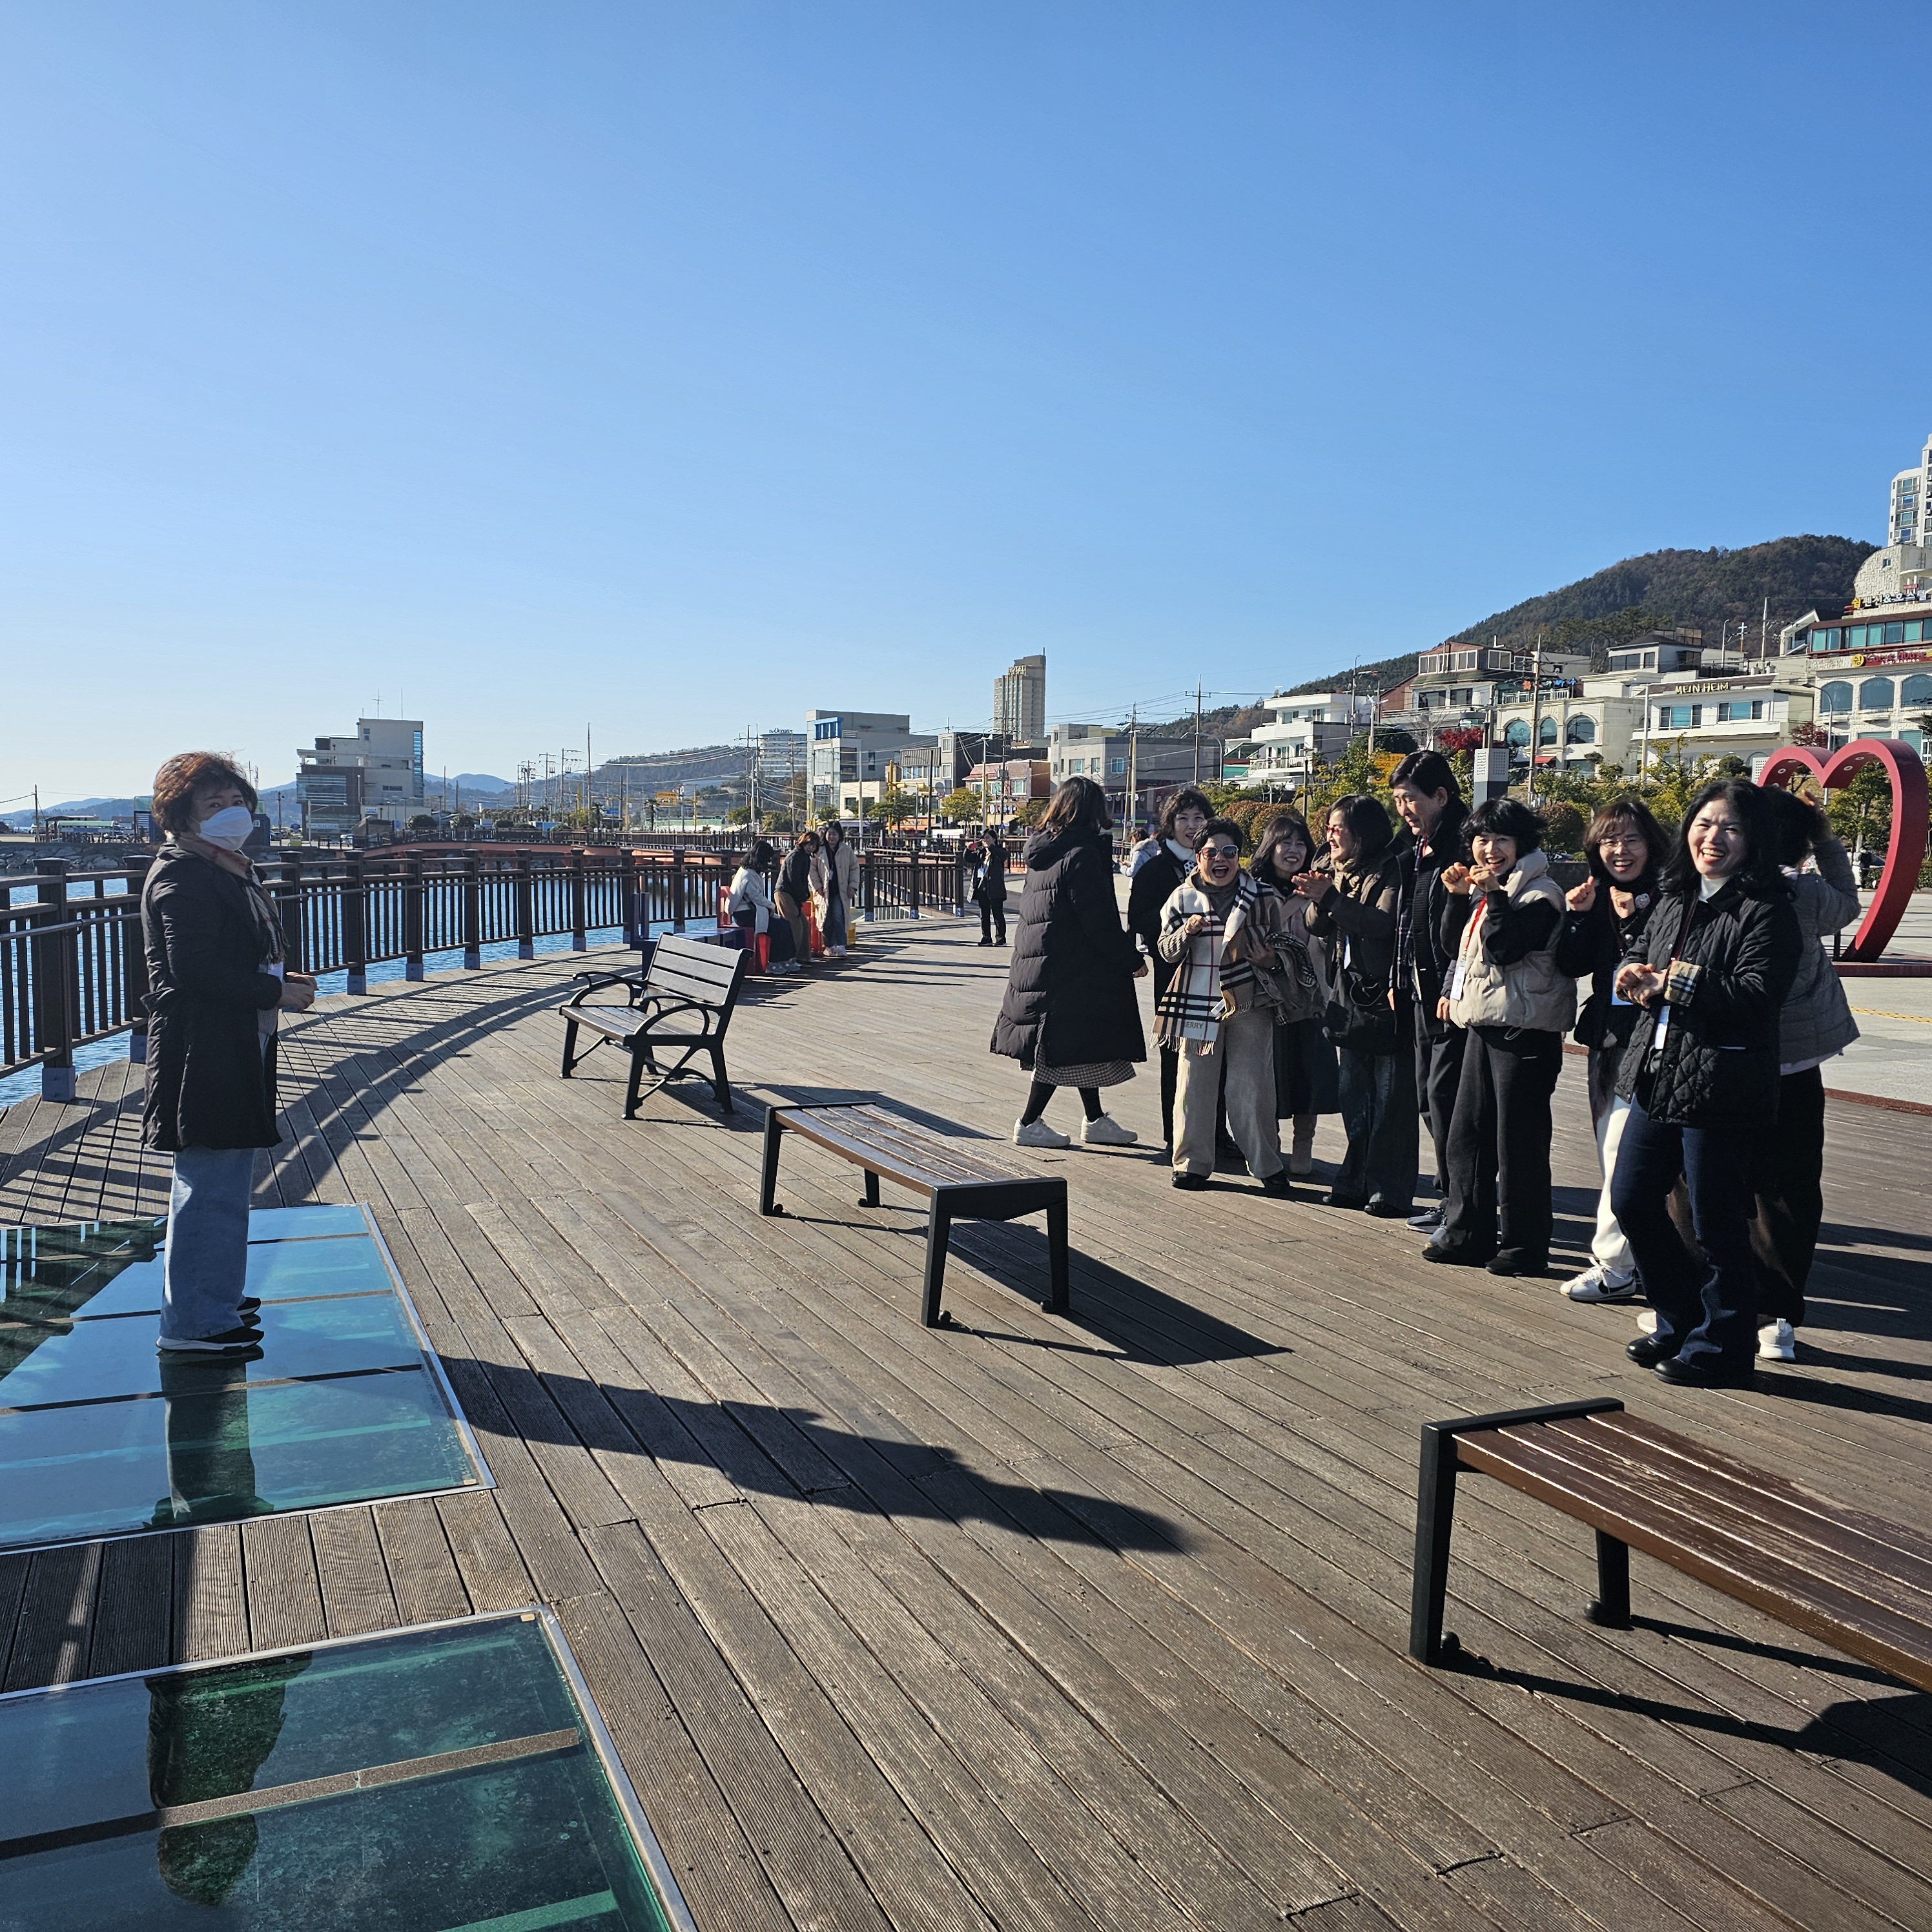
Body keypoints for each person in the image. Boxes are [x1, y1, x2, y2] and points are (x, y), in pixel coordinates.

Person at [1612, 780, 1802, 1389]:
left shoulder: (1768, 910)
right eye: (1704, 823)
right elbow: (1643, 952)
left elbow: (1757, 996)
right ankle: (1680, 1317)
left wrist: (1676, 982)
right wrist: (1630, 973)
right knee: (1631, 1199)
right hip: (1658, 1073)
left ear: (1754, 841)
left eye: (1731, 828)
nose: (1713, 838)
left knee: (1716, 1223)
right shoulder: (1677, 895)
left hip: (1722, 1083)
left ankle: (1723, 1345)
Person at [142, 753, 316, 1357]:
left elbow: (226, 957)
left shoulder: (221, 867)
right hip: (203, 1046)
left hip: (232, 1038)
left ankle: (214, 1294)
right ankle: (195, 1321)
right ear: (181, 818)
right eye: (213, 805)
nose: (230, 814)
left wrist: (278, 978)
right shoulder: (185, 876)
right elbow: (192, 969)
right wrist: (273, 992)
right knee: (210, 1180)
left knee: (225, 1174)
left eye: (236, 802)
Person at [1424, 797, 1574, 1276]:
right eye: (1482, 840)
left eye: (1501, 840)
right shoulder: (1494, 889)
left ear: (1522, 844)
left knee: (1518, 1143)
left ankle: (1524, 1245)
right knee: (1466, 1134)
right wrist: (1456, 897)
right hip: (1484, 1026)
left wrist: (1492, 896)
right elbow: (1454, 947)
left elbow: (1505, 948)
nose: (1490, 850)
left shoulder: (1541, 893)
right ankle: (1467, 1233)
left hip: (1525, 1032)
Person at [1749, 785, 1861, 1362]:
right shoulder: (1807, 892)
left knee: (1713, 1181)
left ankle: (1720, 1303)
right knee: (1790, 1188)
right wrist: (1826, 838)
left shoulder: (1726, 889)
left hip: (1731, 1057)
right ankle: (1778, 1317)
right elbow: (1849, 902)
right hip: (1797, 1062)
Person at [992, 776, 1146, 1148]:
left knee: (1081, 1044)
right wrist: (1130, 959)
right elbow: (1098, 920)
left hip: (1043, 962)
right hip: (1069, 968)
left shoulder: (1045, 851)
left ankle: (1095, 1119)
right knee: (1057, 1049)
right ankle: (1028, 1123)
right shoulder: (1082, 855)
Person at [1554, 798, 1665, 1303]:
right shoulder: (1596, 894)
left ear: (1652, 844)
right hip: (1608, 1038)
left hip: (1653, 1042)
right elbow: (1570, 965)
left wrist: (1637, 916)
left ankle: (1616, 1265)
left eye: (1631, 840)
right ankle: (1639, 1261)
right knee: (1610, 1150)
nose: (1620, 851)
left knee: (1624, 1152)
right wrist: (1577, 917)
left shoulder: (1670, 895)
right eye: (1609, 841)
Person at [1155, 819, 1292, 1194]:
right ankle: (1191, 1164)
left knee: (1253, 1087)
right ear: (1198, 857)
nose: (1221, 859)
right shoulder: (1181, 898)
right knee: (1193, 1087)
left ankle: (1267, 1165)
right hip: (1197, 1004)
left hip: (1250, 1001)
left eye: (1229, 852)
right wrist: (1187, 932)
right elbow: (1165, 952)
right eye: (1211, 852)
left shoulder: (1263, 896)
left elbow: (1286, 949)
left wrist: (1271, 960)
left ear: (1239, 856)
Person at [1298, 794, 1417, 1215]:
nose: (1330, 836)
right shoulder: (1335, 867)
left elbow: (1382, 924)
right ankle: (1353, 1180)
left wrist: (1331, 898)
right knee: (1353, 1094)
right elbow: (1315, 926)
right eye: (1328, 828)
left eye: (1338, 828)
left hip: (1385, 994)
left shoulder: (1390, 868)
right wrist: (1321, 896)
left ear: (1362, 833)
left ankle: (1388, 1189)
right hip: (1347, 992)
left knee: (1388, 1098)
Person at [1389, 752, 1469, 1233]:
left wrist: (1451, 987)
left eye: (1411, 799)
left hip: (1450, 997)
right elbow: (1408, 920)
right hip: (1419, 991)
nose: (1404, 810)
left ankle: (1464, 1202)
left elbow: (1464, 934)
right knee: (1428, 1095)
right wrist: (1398, 979)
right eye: (1399, 801)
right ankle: (1450, 1198)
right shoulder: (1416, 846)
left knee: (1446, 1099)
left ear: (1441, 796)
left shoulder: (1463, 846)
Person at [1248, 810, 1337, 1175]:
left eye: (1301, 843)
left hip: (1310, 997)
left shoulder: (1318, 889)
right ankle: (1271, 1144)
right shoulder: (1253, 890)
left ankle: (1304, 1146)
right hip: (1265, 996)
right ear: (1270, 847)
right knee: (1269, 1075)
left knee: (1307, 1074)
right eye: (1285, 842)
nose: (1293, 850)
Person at [1126, 786, 1211, 1147]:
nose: (1191, 826)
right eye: (1183, 818)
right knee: (1174, 1050)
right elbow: (1137, 918)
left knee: (1215, 1048)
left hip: (1216, 969)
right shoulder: (1155, 869)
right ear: (1170, 824)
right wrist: (1178, 924)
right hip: (1172, 969)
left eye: (1198, 818)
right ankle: (1174, 1133)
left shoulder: (1218, 863)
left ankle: (1215, 1132)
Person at [729, 841, 792, 972]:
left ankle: (785, 960)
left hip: (749, 911)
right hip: (744, 914)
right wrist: (772, 906)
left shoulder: (748, 871)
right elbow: (756, 896)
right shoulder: (748, 874)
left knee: (785, 925)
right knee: (779, 928)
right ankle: (773, 962)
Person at [810, 821, 857, 959]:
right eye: (829, 834)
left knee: (838, 916)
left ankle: (841, 945)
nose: (832, 837)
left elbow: (854, 868)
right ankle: (829, 946)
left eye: (835, 834)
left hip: (840, 890)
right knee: (826, 918)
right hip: (824, 890)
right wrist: (817, 886)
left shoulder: (846, 850)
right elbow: (811, 870)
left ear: (840, 835)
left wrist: (853, 886)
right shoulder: (819, 850)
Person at [776, 832, 819, 965]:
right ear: (803, 843)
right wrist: (802, 895)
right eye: (809, 844)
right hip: (785, 892)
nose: (811, 848)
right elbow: (794, 879)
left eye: (814, 846)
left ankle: (803, 956)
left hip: (793, 894)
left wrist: (804, 895)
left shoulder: (805, 857)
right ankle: (790, 958)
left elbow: (802, 880)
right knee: (795, 926)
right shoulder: (795, 856)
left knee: (804, 925)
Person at [972, 828, 1009, 945]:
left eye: (988, 838)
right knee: (984, 915)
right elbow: (968, 858)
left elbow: (1004, 856)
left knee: (997, 914)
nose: (985, 840)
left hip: (995, 887)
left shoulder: (999, 851)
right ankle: (986, 937)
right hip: (982, 887)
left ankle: (1001, 938)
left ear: (994, 839)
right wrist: (968, 849)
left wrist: (991, 847)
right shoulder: (981, 853)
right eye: (984, 838)